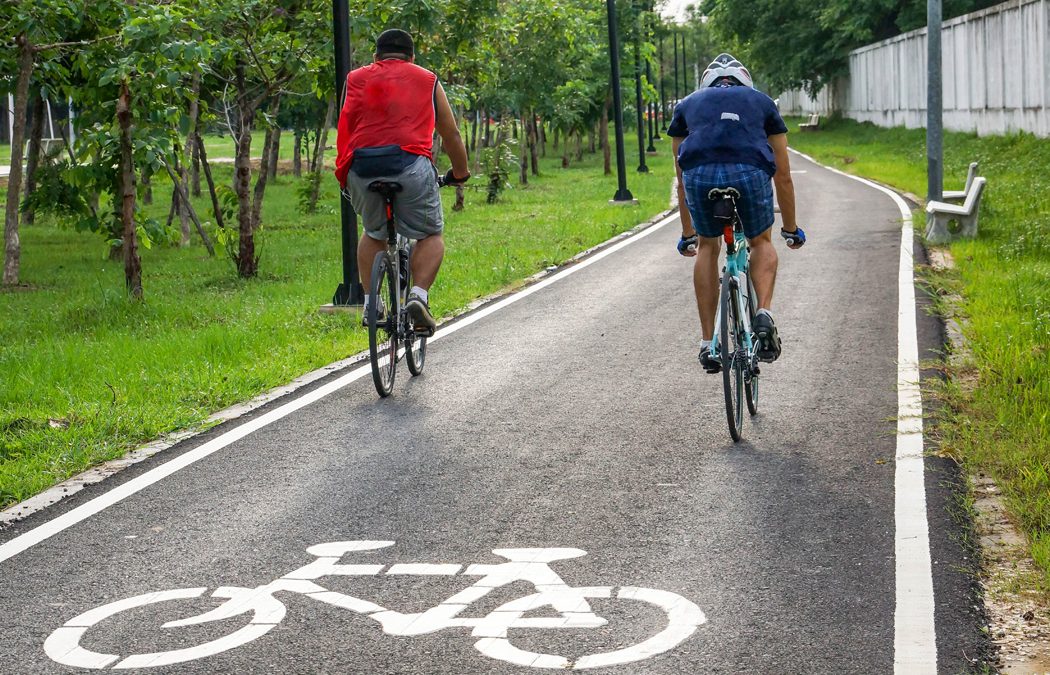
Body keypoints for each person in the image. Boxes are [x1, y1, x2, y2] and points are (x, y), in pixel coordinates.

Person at [667, 53, 806, 373]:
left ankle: (708, 344)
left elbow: (681, 179)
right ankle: (764, 314)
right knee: (760, 242)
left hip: (699, 177)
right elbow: (783, 175)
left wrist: (688, 235)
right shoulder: (762, 103)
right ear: (745, 82)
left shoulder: (686, 105)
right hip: (749, 173)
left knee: (707, 246)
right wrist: (790, 228)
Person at [335, 28, 470, 333]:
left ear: (375, 57)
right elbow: (451, 134)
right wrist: (460, 174)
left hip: (360, 169)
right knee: (431, 234)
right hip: (409, 165)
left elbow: (345, 127)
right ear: (411, 57)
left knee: (372, 232)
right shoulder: (426, 79)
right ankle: (418, 297)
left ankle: (371, 304)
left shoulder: (354, 78)